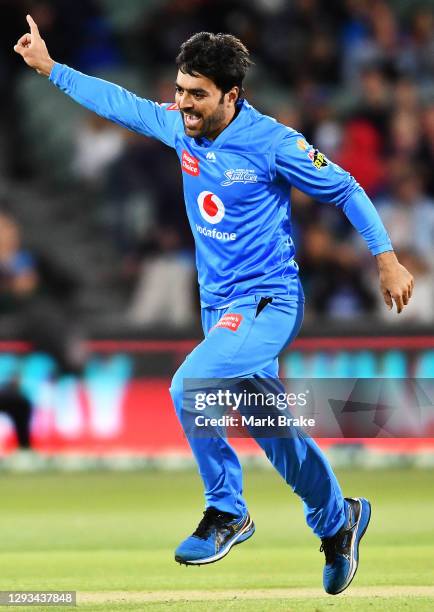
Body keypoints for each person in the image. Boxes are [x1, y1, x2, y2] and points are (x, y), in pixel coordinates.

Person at [14, 16, 414, 595]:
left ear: (232, 95)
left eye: (197, 94)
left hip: (268, 302)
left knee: (189, 386)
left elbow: (346, 188)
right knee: (275, 433)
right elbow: (119, 103)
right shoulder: (181, 127)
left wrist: (385, 257)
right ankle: (339, 520)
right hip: (221, 310)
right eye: (180, 90)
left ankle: (227, 511)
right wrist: (51, 69)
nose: (183, 104)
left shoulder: (274, 142)